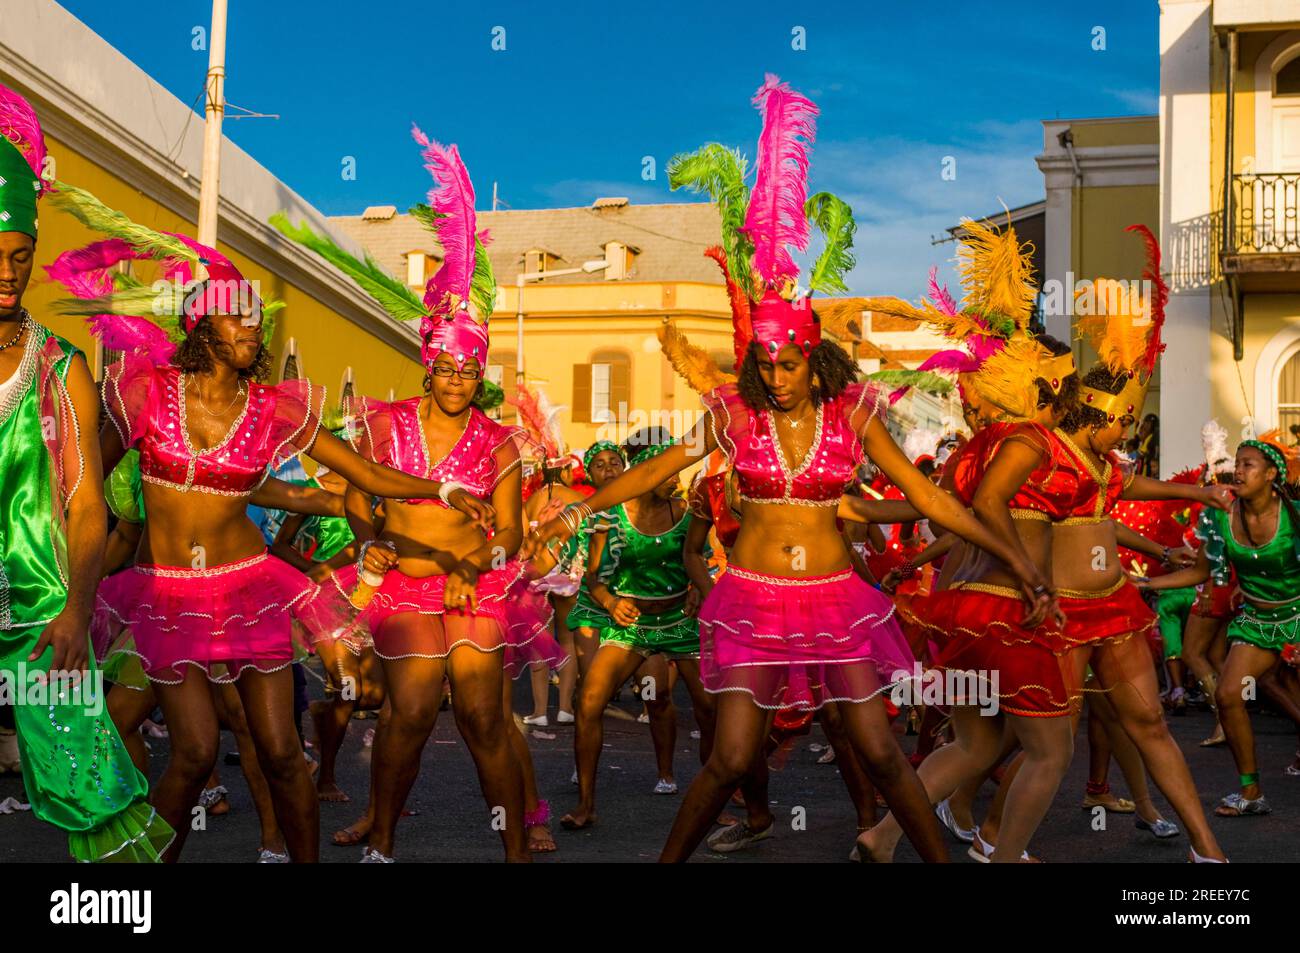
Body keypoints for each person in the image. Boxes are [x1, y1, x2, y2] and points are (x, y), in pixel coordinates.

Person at [526, 75, 1056, 862]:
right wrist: (578, 507)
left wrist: (1015, 558)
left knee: (879, 751)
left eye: (789, 361)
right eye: (764, 363)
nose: (776, 376)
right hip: (751, 601)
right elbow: (652, 472)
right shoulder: (732, 417)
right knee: (734, 756)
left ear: (814, 356)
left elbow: (930, 501)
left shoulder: (855, 416)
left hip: (838, 600)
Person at [48, 183, 489, 863]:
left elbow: (365, 473)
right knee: (193, 751)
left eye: (257, 321)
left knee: (282, 750)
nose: (254, 331)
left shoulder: (273, 407)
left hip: (249, 588)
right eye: (239, 321)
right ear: (203, 327)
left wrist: (445, 484)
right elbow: (83, 480)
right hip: (167, 594)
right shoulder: (145, 391)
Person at [282, 130, 555, 862]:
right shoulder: (385, 422)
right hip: (402, 588)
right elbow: (360, 495)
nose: (458, 379)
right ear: (428, 364)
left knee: (481, 715)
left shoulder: (500, 443)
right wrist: (367, 533)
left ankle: (516, 849)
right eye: (447, 367)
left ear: (480, 373)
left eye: (471, 369)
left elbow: (510, 531)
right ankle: (384, 834)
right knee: (404, 713)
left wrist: (479, 562)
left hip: (476, 593)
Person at [0, 83, 172, 861]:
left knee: (94, 789)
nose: (8, 271)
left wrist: (76, 608)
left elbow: (84, 505)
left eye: (20, 255)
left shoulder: (58, 369)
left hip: (40, 620)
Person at [1142, 432, 1300, 818]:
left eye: (1248, 465)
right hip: (1257, 621)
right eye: (1237, 463)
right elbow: (1201, 571)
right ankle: (1251, 792)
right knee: (1230, 695)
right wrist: (1147, 583)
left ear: (1270, 475)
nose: (1238, 471)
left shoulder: (1294, 514)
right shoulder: (1218, 515)